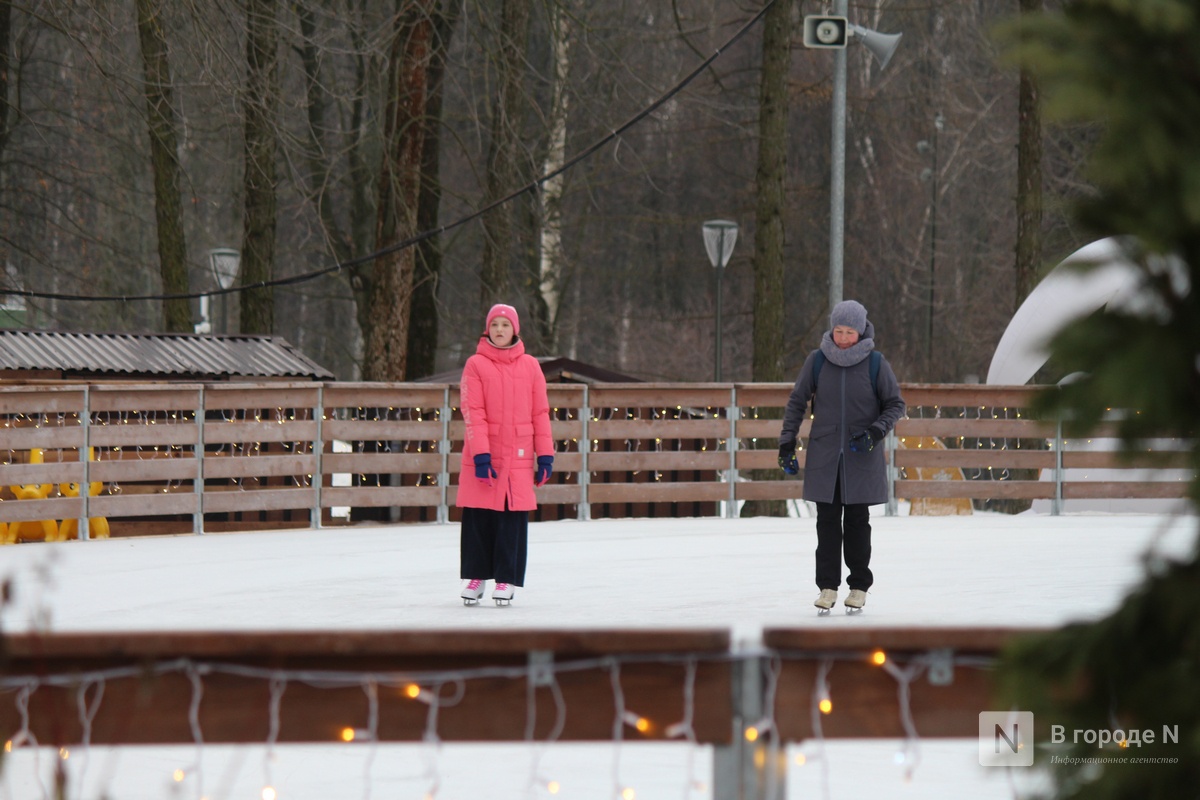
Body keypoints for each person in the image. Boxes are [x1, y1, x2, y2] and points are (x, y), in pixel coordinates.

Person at [778, 300, 905, 612]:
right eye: (839, 330)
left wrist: (875, 432)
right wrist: (786, 442)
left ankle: (859, 586)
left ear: (860, 332)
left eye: (850, 332)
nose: (844, 337)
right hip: (825, 453)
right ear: (831, 330)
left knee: (858, 522)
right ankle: (827, 587)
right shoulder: (817, 361)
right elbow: (797, 402)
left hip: (861, 453)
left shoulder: (876, 363)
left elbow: (895, 404)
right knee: (827, 523)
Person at [456, 303, 554, 606]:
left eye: (505, 325)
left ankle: (506, 579)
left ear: (515, 329)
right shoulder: (475, 364)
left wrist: (546, 455)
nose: (500, 330)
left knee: (511, 521)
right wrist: (482, 455)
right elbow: (473, 411)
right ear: (488, 329)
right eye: (495, 324)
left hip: (520, 456)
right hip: (484, 454)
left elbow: (540, 412)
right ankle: (476, 577)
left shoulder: (530, 366)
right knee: (478, 519)